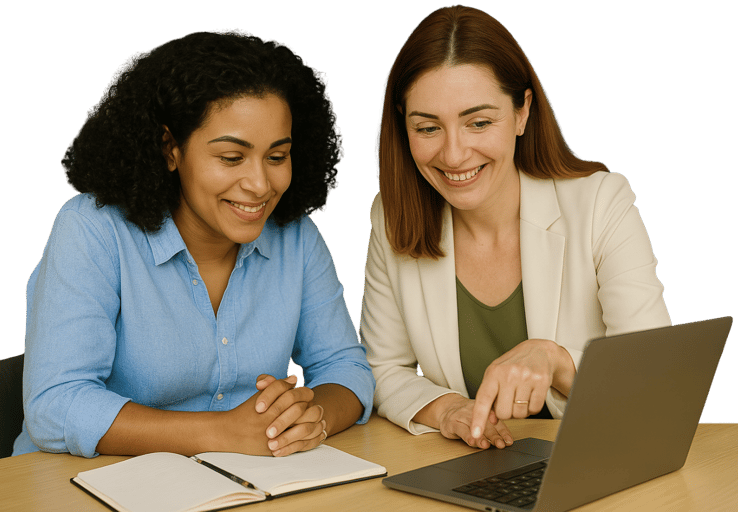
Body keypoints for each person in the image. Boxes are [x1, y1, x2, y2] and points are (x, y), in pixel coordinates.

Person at [15, 29, 374, 458]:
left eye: (277, 157)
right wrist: (218, 433)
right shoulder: (92, 231)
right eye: (231, 157)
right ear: (170, 149)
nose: (260, 184)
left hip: (246, 483)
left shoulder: (296, 238)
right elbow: (55, 405)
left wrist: (309, 418)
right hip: (82, 486)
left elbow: (346, 368)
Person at [360, 5, 671, 450]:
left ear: (523, 112)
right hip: (474, 469)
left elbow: (656, 379)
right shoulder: (391, 218)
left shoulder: (603, 201)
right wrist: (448, 409)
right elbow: (382, 369)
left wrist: (556, 361)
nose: (453, 155)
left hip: (599, 459)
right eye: (428, 128)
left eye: (479, 123)